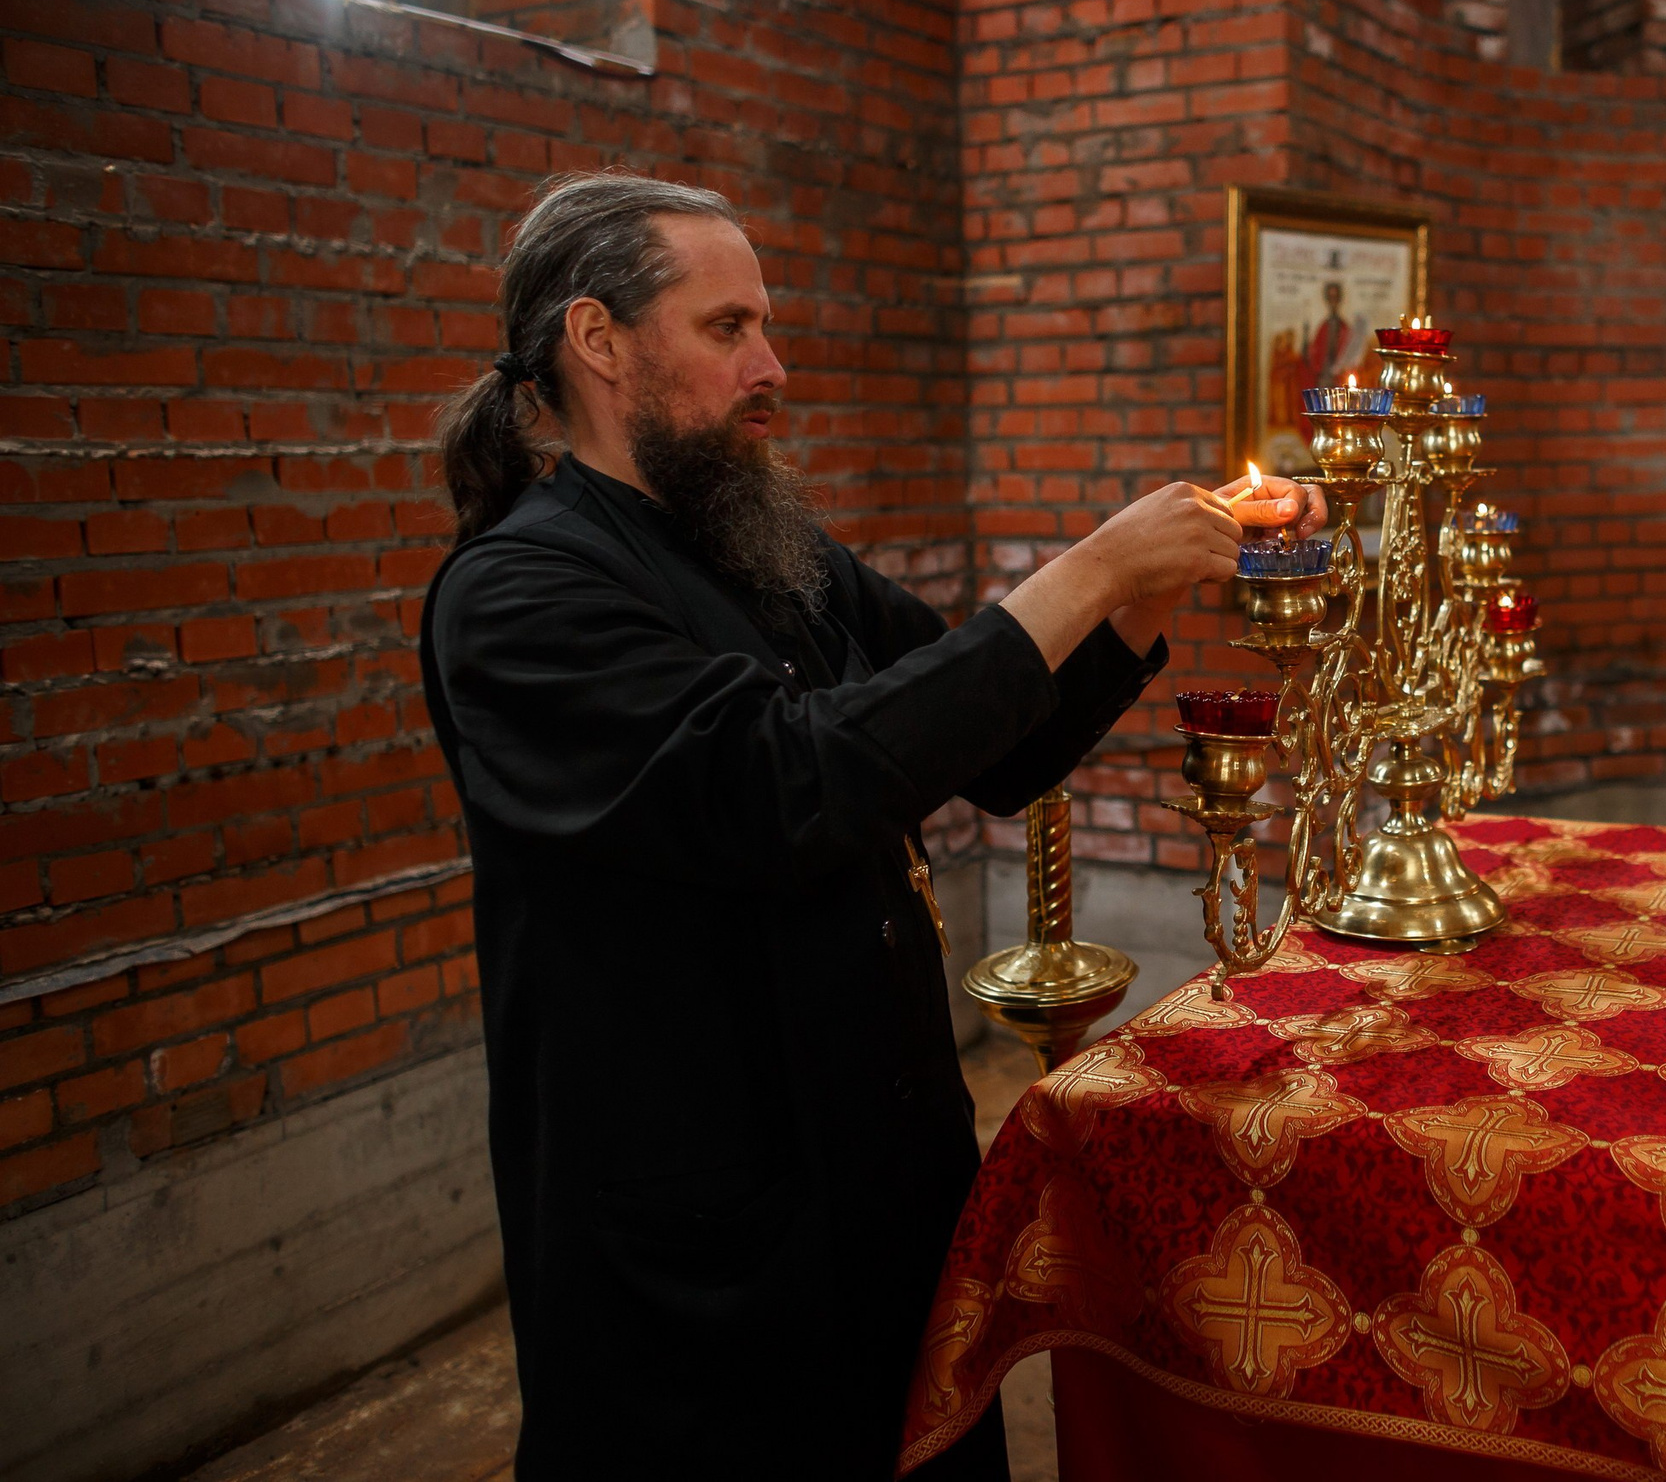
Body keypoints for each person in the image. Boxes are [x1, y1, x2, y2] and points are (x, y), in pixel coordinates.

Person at [418, 172, 1321, 1478]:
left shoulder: (764, 541)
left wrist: (1147, 591)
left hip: (882, 1173)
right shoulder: (517, 593)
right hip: (703, 1244)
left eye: (765, 326)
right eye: (728, 327)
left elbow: (1000, 744)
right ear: (597, 339)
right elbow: (790, 786)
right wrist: (1095, 567)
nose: (771, 363)